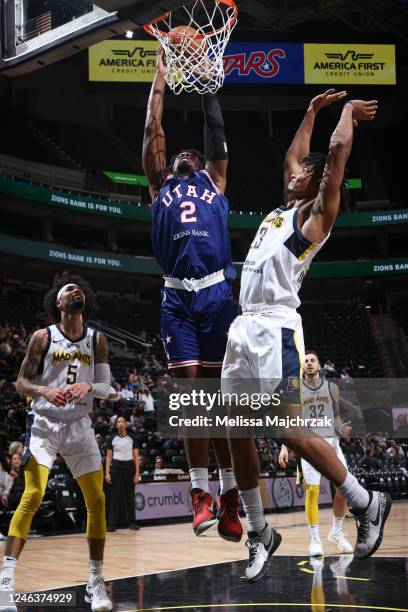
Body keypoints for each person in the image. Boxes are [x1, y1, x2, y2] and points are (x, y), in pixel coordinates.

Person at [221, 90, 391, 582]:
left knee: (288, 429)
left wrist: (343, 115)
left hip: (275, 325)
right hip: (242, 325)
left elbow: (333, 157)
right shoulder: (280, 208)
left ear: (315, 184)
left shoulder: (315, 217)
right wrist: (313, 111)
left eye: (302, 173)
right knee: (236, 430)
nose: (291, 172)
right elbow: (295, 154)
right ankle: (260, 532)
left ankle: (364, 500)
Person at [142, 48, 242, 542]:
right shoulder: (160, 185)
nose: (184, 154)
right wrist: (160, 78)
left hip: (219, 294)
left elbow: (216, 132)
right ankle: (200, 494)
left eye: (192, 154)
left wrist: (208, 87)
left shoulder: (214, 181)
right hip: (178, 297)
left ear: (202, 164)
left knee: (219, 400)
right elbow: (151, 132)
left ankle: (229, 499)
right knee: (191, 396)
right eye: (178, 154)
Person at [0, 275, 113, 611]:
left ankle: (96, 581)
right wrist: (44, 390)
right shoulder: (42, 337)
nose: (74, 290)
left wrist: (89, 388)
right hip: (45, 424)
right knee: (33, 494)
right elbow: (20, 382)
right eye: (67, 290)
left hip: (79, 425)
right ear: (58, 304)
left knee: (96, 499)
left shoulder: (98, 340)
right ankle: (6, 584)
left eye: (79, 288)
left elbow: (108, 388)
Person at [279, 351, 353, 556]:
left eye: (312, 361)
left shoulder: (332, 389)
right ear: (302, 368)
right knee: (312, 491)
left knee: (344, 489)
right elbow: (289, 422)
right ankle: (315, 540)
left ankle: (336, 532)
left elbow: (336, 417)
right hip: (309, 444)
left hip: (332, 443)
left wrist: (342, 429)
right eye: (305, 362)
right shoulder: (296, 390)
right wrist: (285, 447)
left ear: (319, 366)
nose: (309, 364)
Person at [105, 416, 140, 532]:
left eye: (122, 422)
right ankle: (112, 525)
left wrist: (137, 473)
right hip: (116, 467)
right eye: (118, 422)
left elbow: (136, 457)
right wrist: (107, 473)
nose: (120, 424)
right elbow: (109, 457)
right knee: (114, 497)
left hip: (129, 468)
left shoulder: (132, 438)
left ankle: (132, 523)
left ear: (126, 424)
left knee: (130, 496)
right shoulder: (111, 438)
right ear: (116, 425)